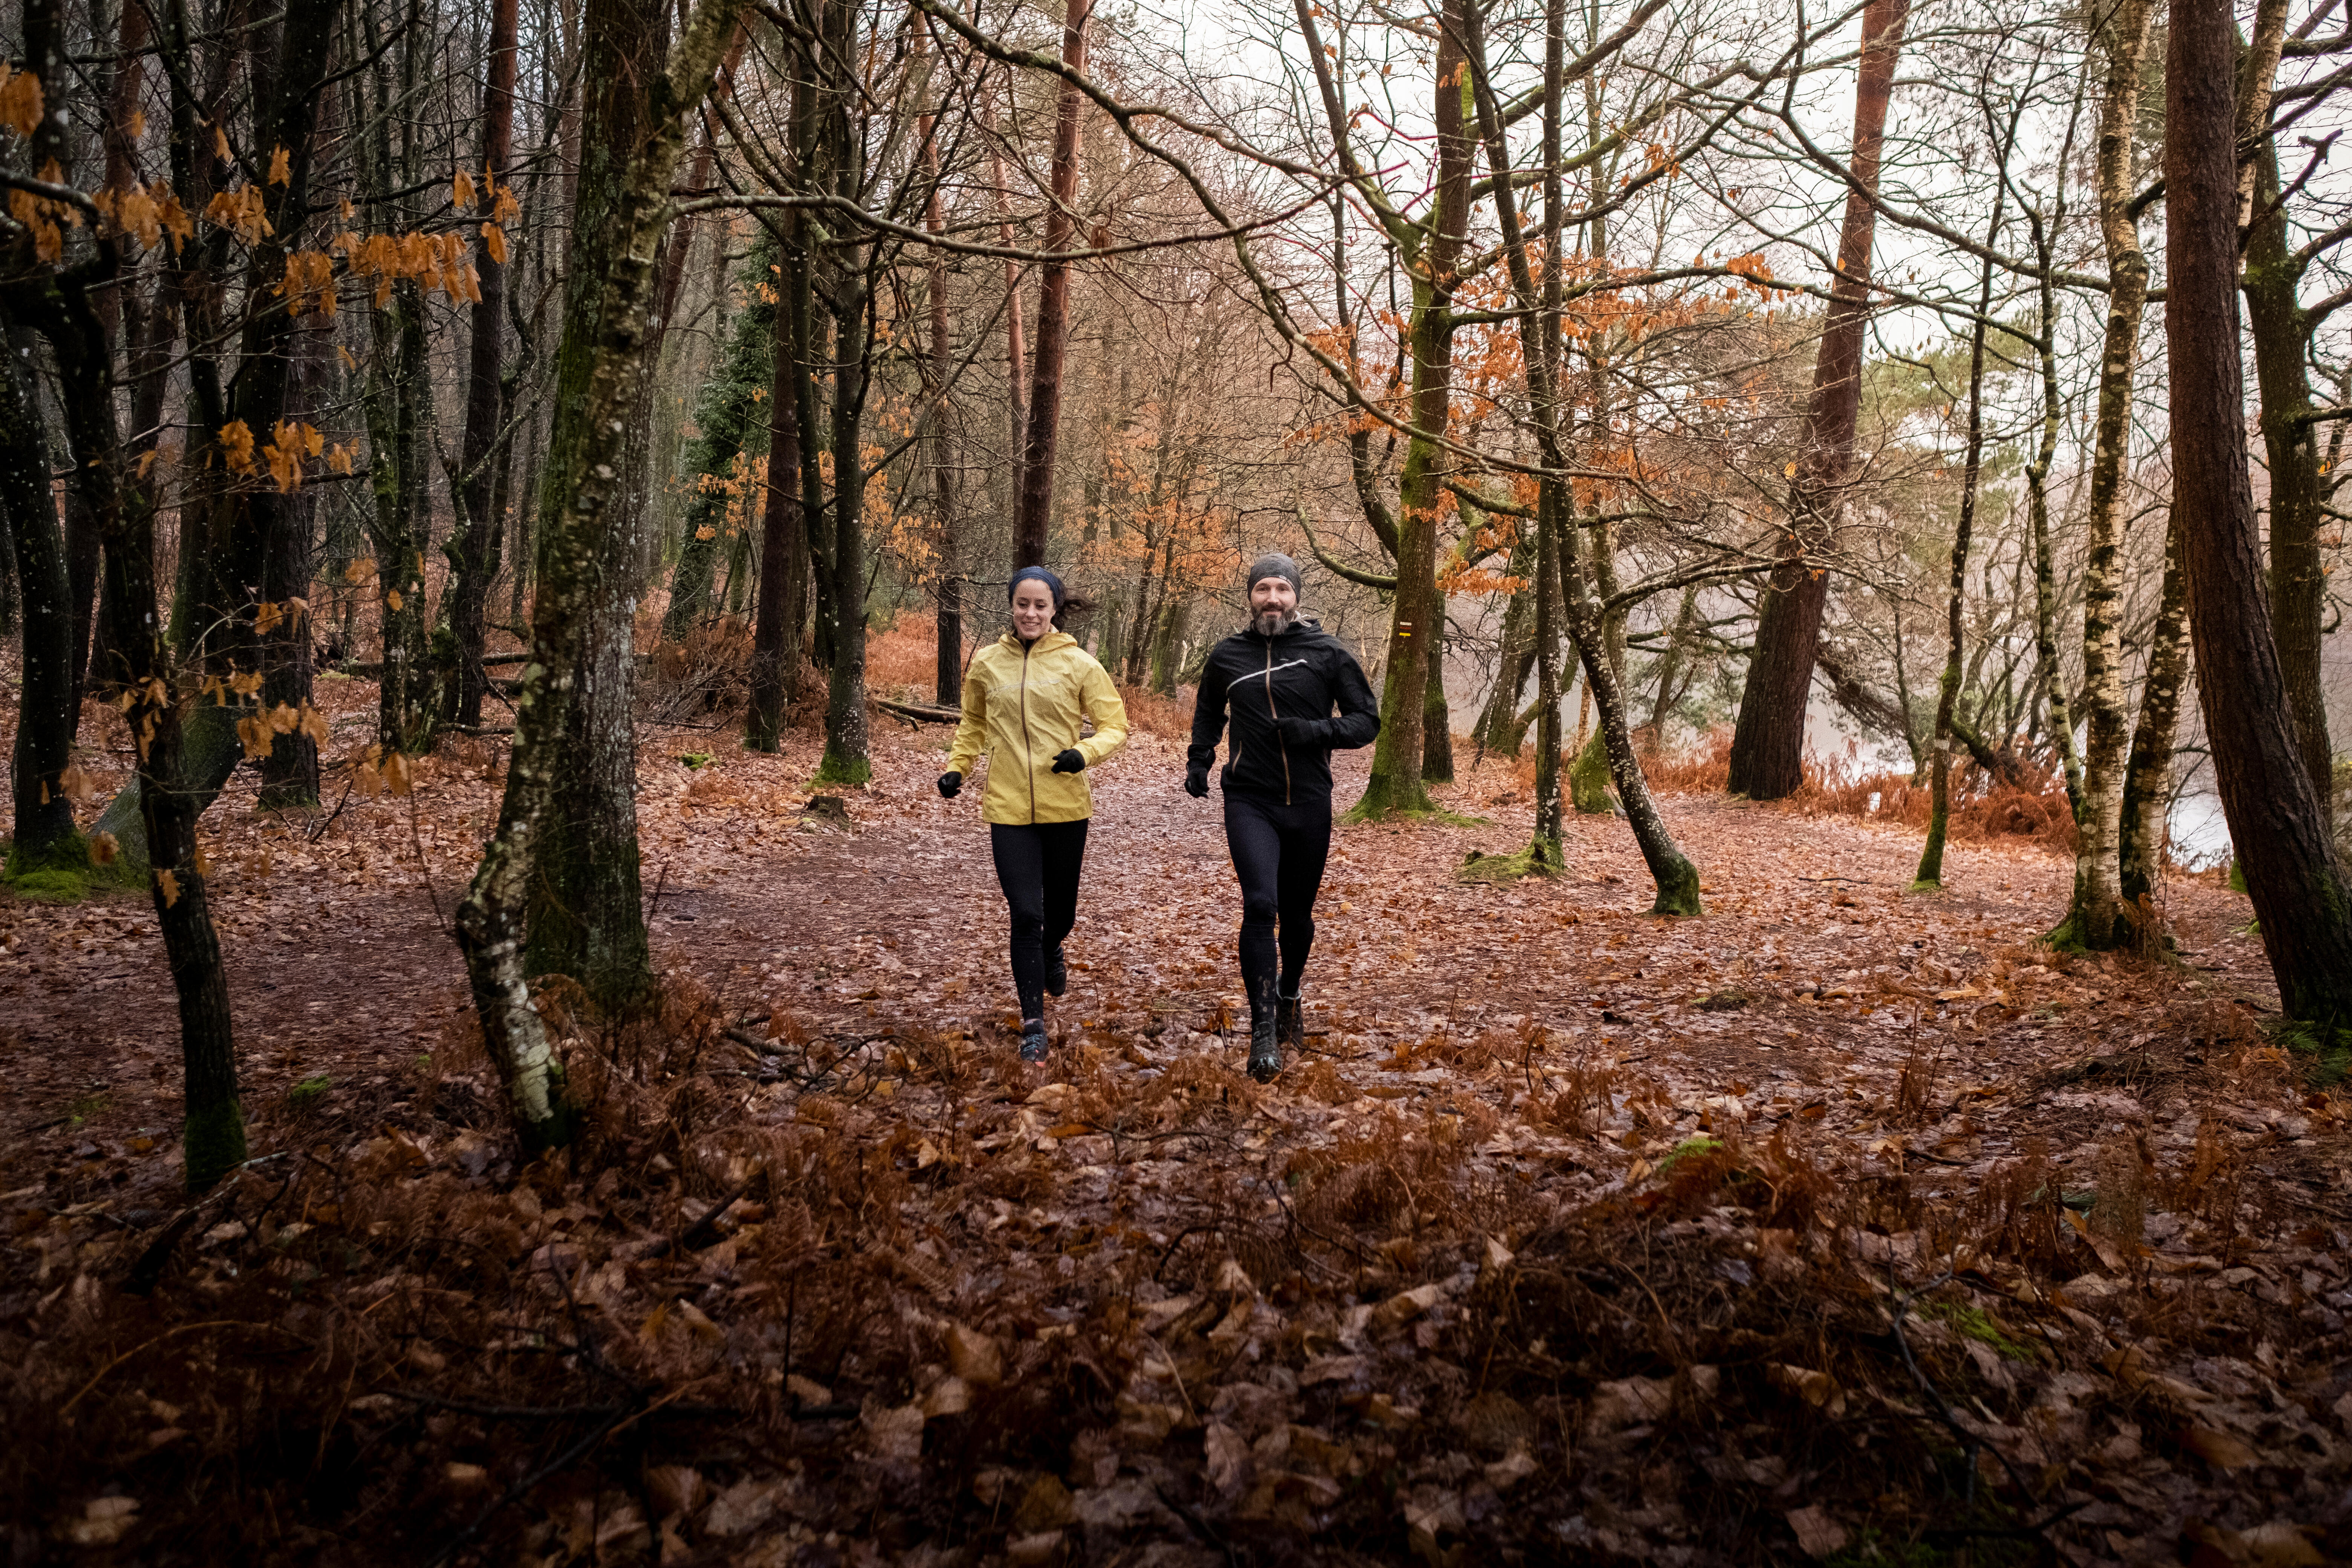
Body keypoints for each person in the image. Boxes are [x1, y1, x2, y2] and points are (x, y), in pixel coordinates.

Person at [1185, 553, 1380, 1081]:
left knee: (1296, 916)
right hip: (1250, 799)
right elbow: (1208, 712)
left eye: (1282, 590)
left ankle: (1291, 991)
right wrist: (1199, 760)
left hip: (1311, 803)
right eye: (1263, 589)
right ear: (1249, 597)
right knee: (1260, 905)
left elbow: (1367, 722)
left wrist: (1316, 732)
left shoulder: (1328, 653)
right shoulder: (1227, 656)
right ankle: (1263, 1030)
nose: (1272, 598)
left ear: (1296, 597)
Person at [940, 567, 1129, 1062]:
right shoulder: (986, 663)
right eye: (1022, 604)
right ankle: (1033, 1024)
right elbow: (974, 724)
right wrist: (957, 769)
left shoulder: (1080, 665)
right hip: (1007, 808)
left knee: (1059, 914)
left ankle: (1053, 947)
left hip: (1066, 805)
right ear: (1012, 606)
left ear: (1054, 610)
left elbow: (1116, 726)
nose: (1030, 613)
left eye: (1040, 606)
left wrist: (1084, 754)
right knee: (1026, 913)